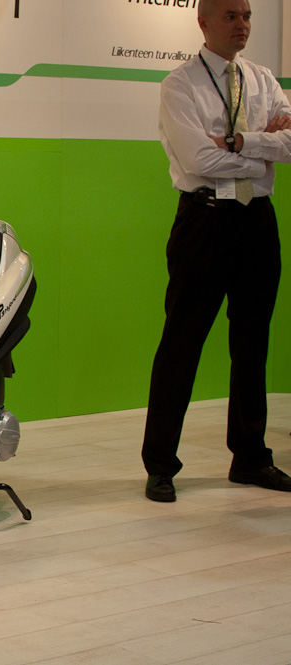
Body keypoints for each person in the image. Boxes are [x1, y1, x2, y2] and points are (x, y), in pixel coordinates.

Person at [142, 0, 291, 502]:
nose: (242, 24)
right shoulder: (179, 84)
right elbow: (197, 158)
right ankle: (160, 464)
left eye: (246, 15)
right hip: (203, 220)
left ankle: (250, 458)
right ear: (203, 22)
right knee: (181, 344)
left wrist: (238, 142)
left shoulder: (263, 79)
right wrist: (261, 153)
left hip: (257, 222)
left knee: (252, 344)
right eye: (230, 15)